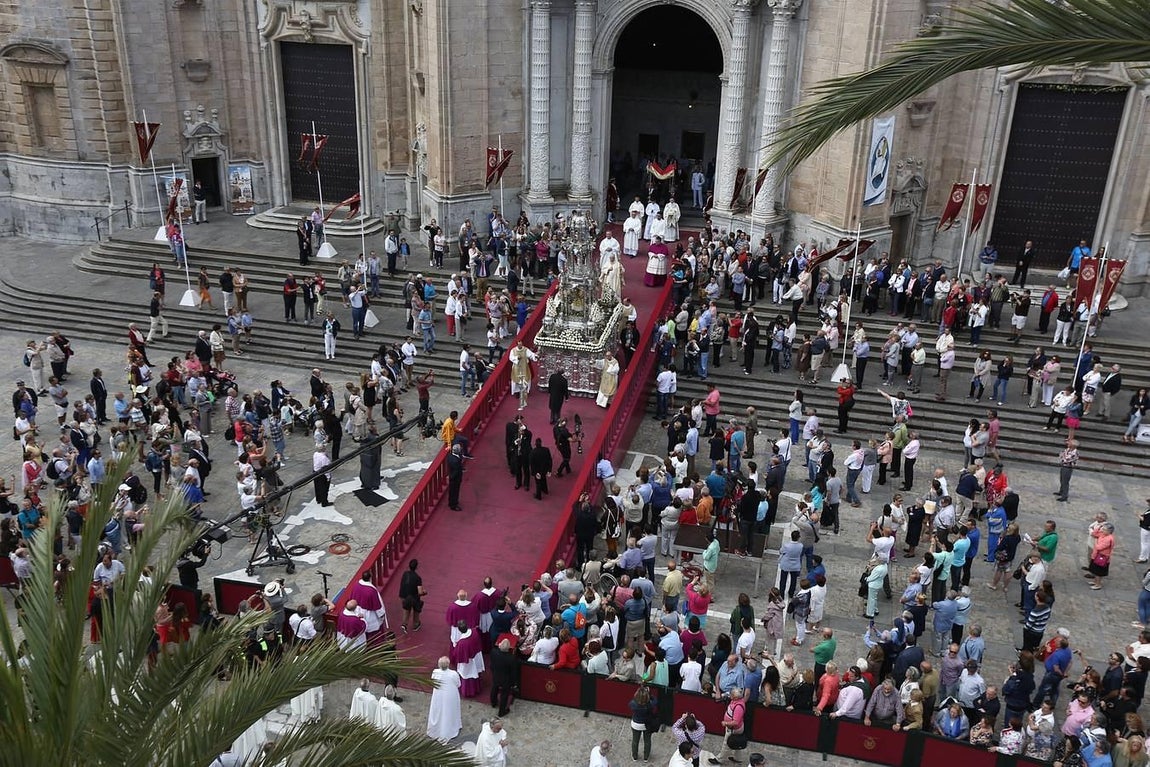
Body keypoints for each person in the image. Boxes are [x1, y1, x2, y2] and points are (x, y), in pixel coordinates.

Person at [426, 657, 462, 742]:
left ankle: (436, 728)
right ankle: (450, 727)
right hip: (450, 695)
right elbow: (458, 684)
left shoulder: (435, 672)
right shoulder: (453, 674)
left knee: (438, 710)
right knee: (449, 711)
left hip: (438, 695)